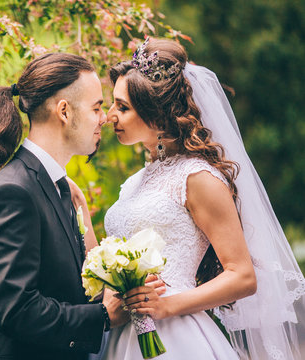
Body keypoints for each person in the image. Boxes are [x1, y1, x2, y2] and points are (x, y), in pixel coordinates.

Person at [72, 36, 305, 359]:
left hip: (177, 338)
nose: (110, 115)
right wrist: (80, 208)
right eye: (113, 104)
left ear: (157, 114)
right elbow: (106, 269)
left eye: (122, 107)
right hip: (125, 337)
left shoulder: (198, 178)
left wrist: (166, 305)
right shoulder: (136, 181)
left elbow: (243, 275)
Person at [0, 53, 131, 360]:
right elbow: (17, 311)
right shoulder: (14, 192)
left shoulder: (58, 187)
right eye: (97, 107)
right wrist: (103, 316)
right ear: (64, 111)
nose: (105, 118)